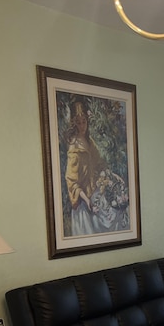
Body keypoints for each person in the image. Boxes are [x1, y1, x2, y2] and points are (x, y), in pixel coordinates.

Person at [64, 100, 105, 236]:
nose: (82, 126)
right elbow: (72, 182)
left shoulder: (90, 142)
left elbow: (99, 164)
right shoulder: (74, 148)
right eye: (79, 123)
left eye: (84, 122)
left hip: (94, 196)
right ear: (74, 124)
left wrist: (109, 175)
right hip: (83, 203)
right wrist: (86, 200)